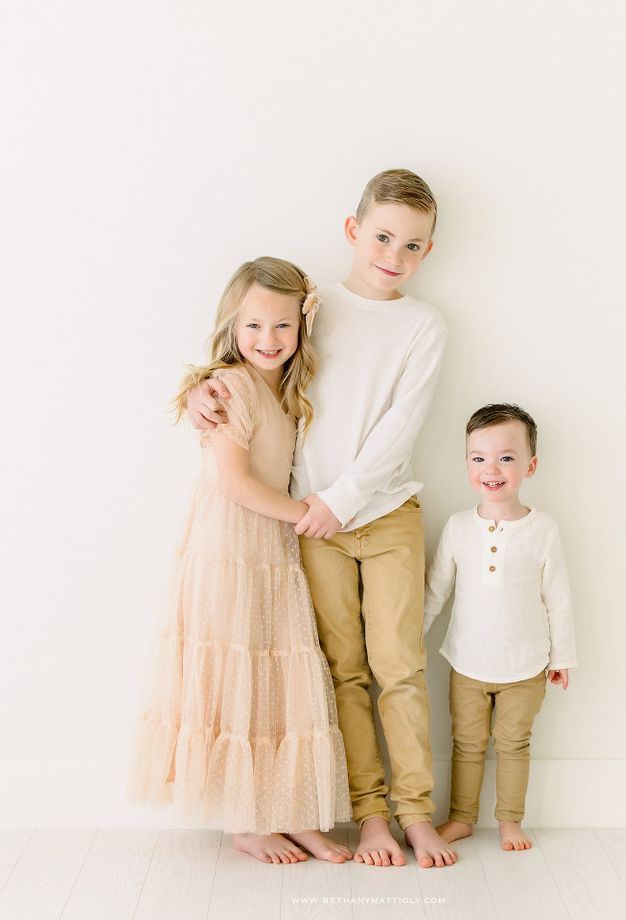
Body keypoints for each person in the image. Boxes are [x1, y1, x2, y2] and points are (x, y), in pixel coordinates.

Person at [187, 170, 456, 868]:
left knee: (398, 665)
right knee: (342, 670)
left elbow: (401, 424)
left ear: (428, 251)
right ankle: (368, 817)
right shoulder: (312, 307)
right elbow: (256, 362)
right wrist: (199, 396)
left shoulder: (424, 325)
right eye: (382, 237)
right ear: (353, 231)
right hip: (310, 522)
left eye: (413, 245)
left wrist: (339, 501)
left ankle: (416, 813)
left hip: (379, 509)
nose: (393, 255)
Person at [128, 256, 352, 865]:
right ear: (233, 325)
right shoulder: (229, 387)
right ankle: (246, 822)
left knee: (278, 680)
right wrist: (304, 511)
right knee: (237, 680)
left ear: (302, 327)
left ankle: (290, 812)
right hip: (229, 547)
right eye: (253, 327)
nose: (268, 340)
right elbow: (233, 483)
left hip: (269, 551)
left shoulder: (286, 388)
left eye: (282, 326)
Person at [424, 404, 577, 851]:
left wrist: (562, 658)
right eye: (478, 458)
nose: (491, 469)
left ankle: (510, 820)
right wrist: (409, 637)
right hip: (467, 662)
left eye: (506, 458)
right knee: (466, 744)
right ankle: (461, 818)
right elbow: (435, 591)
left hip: (527, 665)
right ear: (467, 463)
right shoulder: (457, 528)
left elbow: (559, 598)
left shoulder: (543, 529)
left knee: (514, 744)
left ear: (530, 465)